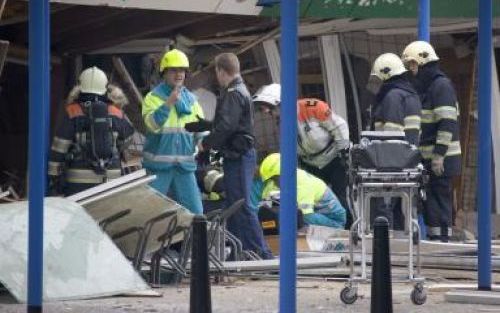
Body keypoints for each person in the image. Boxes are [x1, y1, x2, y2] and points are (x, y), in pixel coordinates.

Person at [186, 52, 273, 259]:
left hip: (239, 156)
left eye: (216, 72)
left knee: (241, 206)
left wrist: (205, 143)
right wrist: (207, 125)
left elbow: (227, 127)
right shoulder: (238, 91)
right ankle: (241, 252)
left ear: (221, 71)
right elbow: (231, 124)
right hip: (237, 155)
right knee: (234, 205)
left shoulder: (233, 93)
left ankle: (262, 253)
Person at [253, 86, 351, 228]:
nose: (269, 112)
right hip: (310, 163)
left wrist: (344, 152)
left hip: (335, 158)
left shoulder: (313, 107)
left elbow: (339, 126)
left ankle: (348, 232)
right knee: (314, 203)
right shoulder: (282, 123)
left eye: (270, 108)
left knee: (341, 198)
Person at [402, 41, 461, 242]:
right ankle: (436, 241)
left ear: (420, 61)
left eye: (412, 65)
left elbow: (447, 123)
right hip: (430, 157)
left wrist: (438, 156)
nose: (411, 71)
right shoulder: (429, 86)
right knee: (432, 204)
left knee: (440, 202)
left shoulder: (440, 86)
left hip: (442, 158)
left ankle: (443, 242)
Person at [48, 66, 134, 196]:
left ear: (80, 86)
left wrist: (53, 177)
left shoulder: (72, 111)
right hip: (111, 180)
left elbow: (59, 148)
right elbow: (128, 139)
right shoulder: (116, 112)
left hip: (78, 182)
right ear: (105, 88)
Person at [142, 49, 205, 214]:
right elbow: (151, 125)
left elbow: (200, 129)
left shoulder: (191, 101)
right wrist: (168, 104)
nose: (179, 74)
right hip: (158, 167)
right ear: (164, 73)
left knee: (196, 214)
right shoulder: (152, 98)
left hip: (184, 167)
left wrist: (203, 140)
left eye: (182, 70)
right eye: (174, 70)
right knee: (150, 214)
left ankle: (193, 241)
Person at [369, 53, 422, 230]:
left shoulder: (392, 97)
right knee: (405, 208)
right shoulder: (411, 95)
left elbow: (391, 135)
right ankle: (402, 245)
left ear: (385, 73)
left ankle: (385, 246)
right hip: (408, 160)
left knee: (384, 207)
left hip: (390, 163)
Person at [259, 153, 346, 229]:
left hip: (333, 220)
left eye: (275, 178)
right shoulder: (273, 184)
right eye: (272, 179)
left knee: (301, 218)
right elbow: (264, 207)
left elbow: (303, 213)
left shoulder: (301, 181)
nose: (275, 183)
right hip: (311, 215)